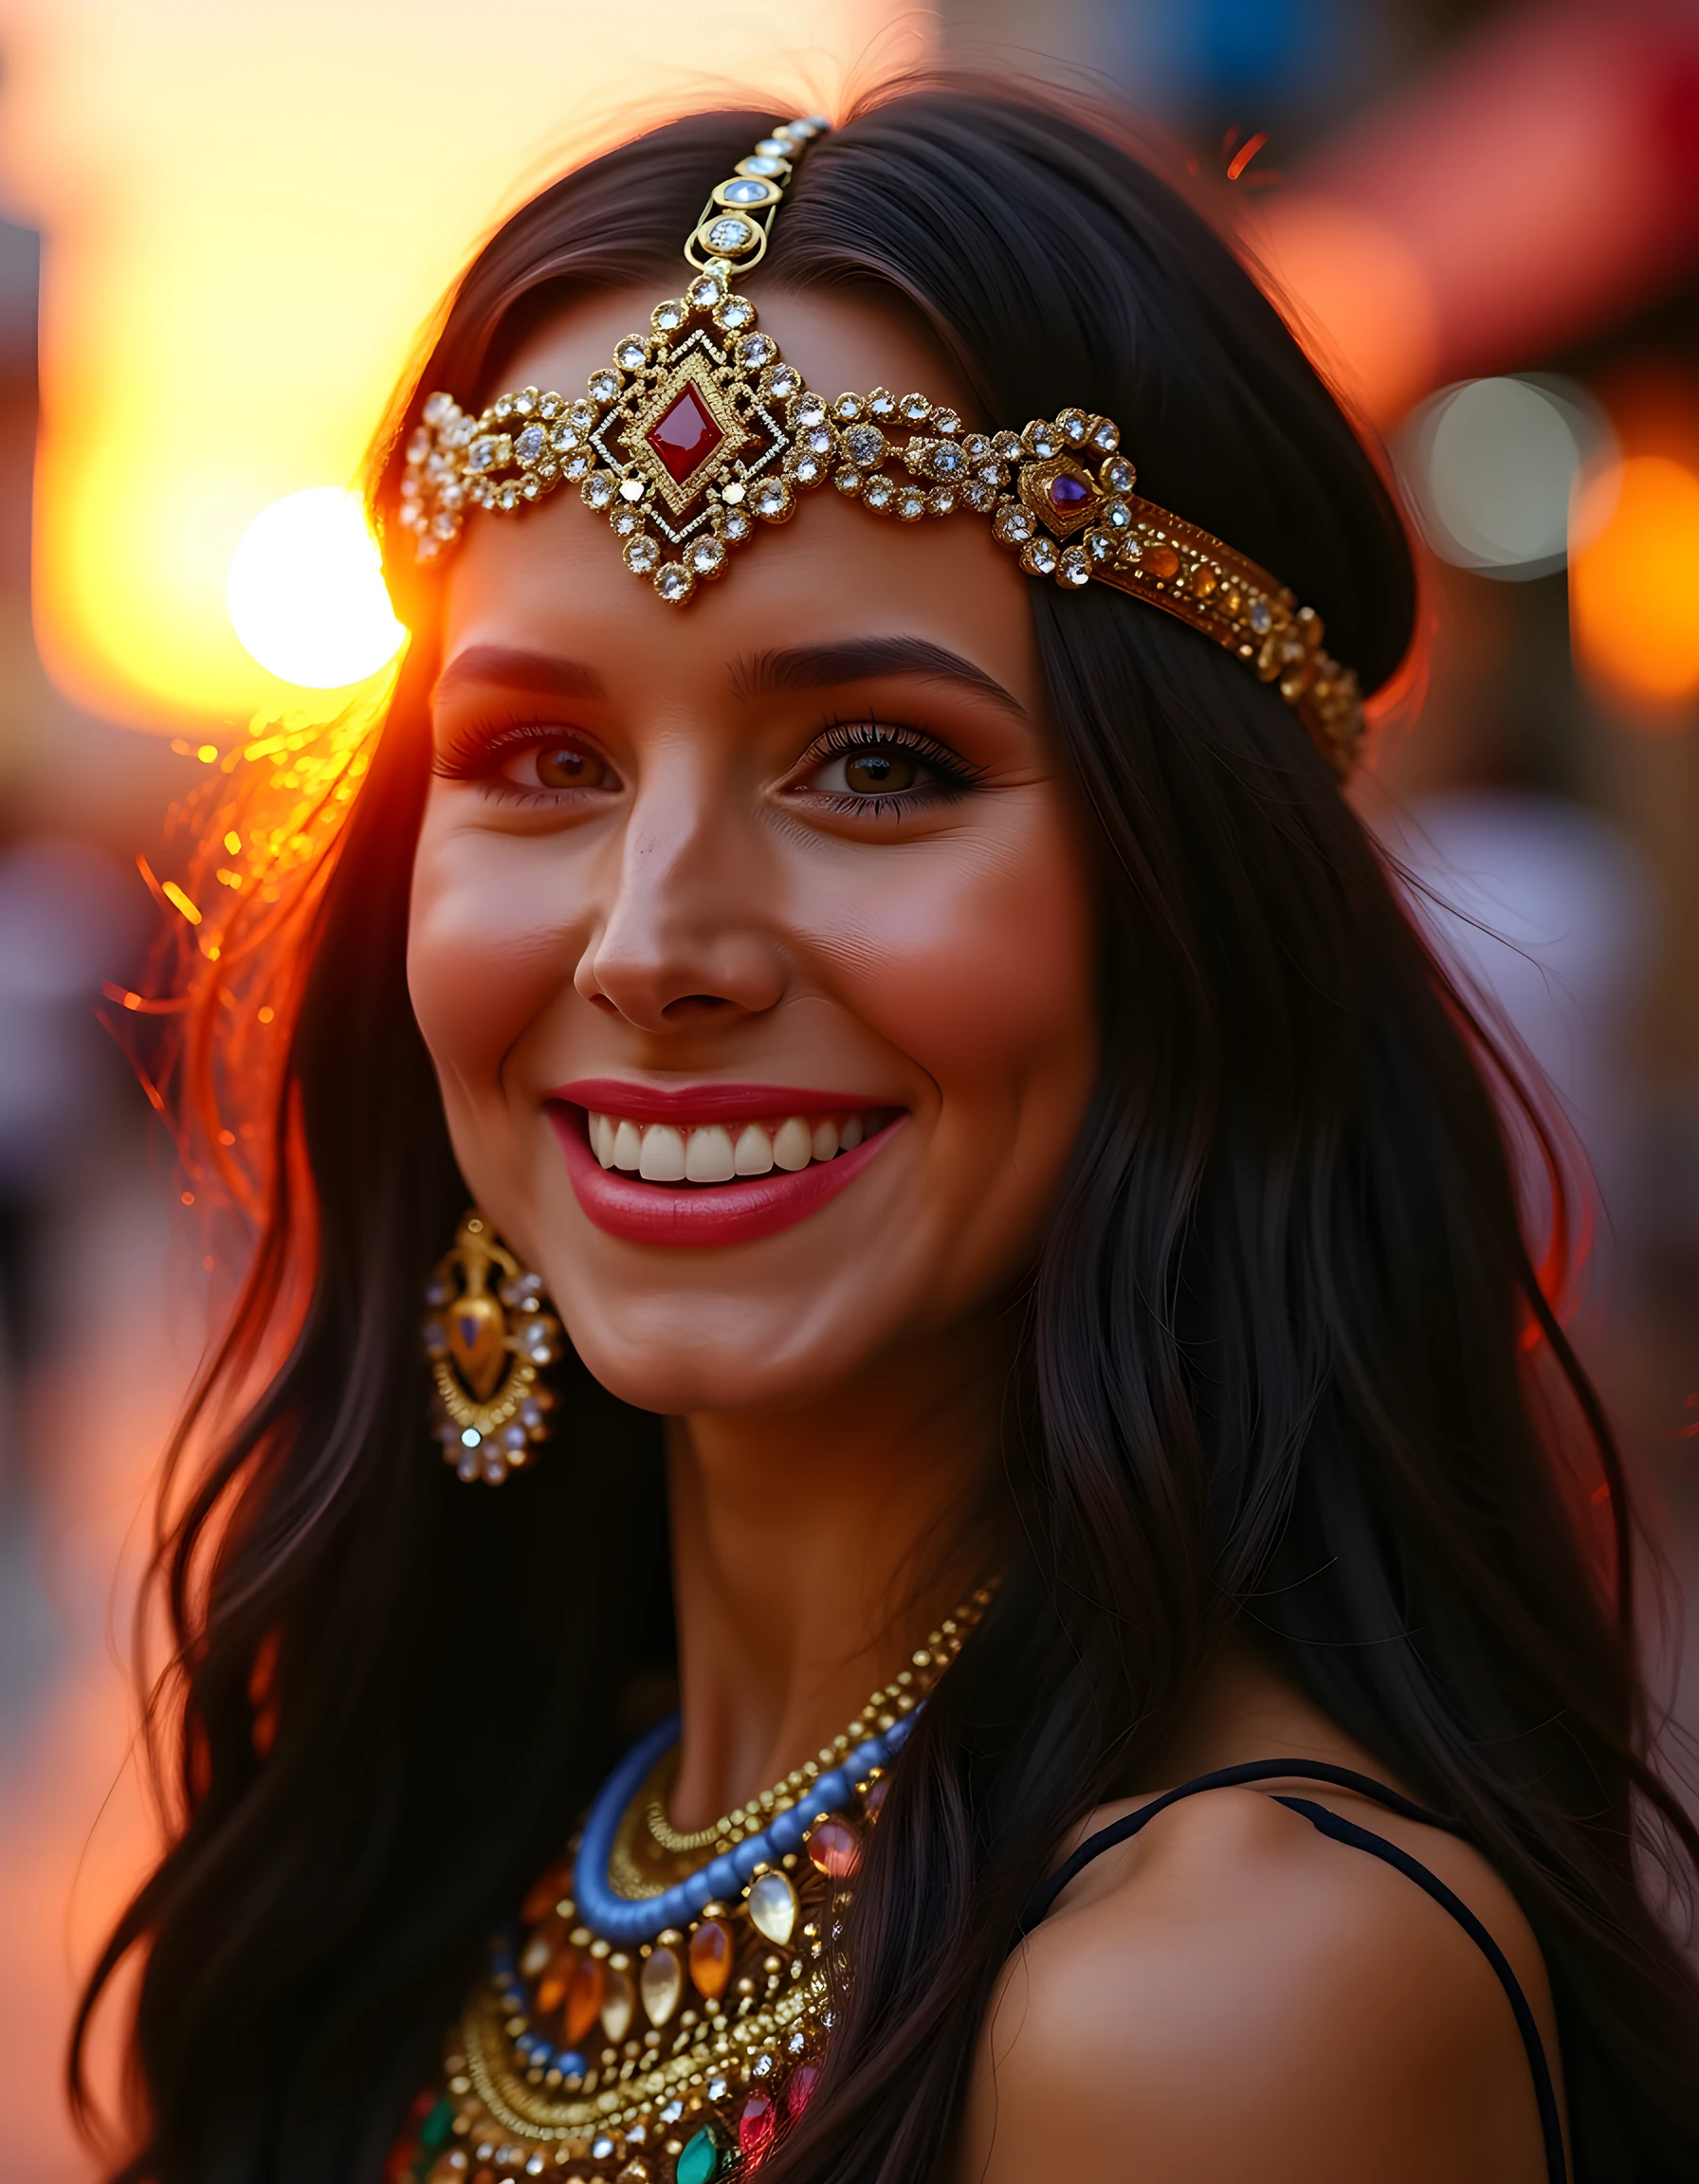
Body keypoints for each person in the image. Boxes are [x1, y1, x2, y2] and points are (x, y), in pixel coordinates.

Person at [73, 87, 1699, 2184]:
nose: (654, 942)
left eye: (876, 763)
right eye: (541, 756)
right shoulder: (453, 1829)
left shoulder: (1218, 2007)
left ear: (1187, 913)